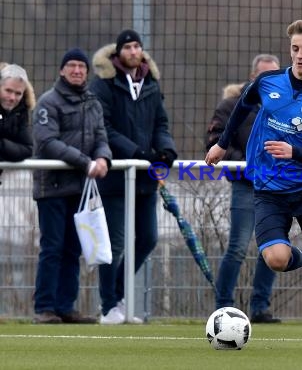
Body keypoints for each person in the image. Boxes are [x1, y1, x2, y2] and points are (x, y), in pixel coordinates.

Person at [205, 20, 302, 350]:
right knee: (277, 260)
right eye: (295, 48)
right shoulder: (268, 82)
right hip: (267, 189)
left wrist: (294, 152)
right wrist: (222, 144)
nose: (299, 55)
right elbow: (241, 108)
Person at [90, 29, 178, 324]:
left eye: (137, 46)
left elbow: (161, 122)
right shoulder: (104, 83)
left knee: (148, 238)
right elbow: (105, 126)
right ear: (118, 52)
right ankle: (108, 306)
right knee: (114, 244)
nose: (133, 51)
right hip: (116, 174)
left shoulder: (150, 83)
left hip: (144, 176)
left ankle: (119, 293)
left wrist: (165, 150)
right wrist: (136, 152)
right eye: (128, 46)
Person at [32, 48, 112, 324]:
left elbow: (101, 137)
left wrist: (102, 157)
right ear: (62, 70)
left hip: (80, 188)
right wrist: (85, 162)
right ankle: (44, 308)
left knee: (73, 250)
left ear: (87, 72)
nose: (77, 70)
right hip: (52, 187)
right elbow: (46, 141)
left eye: (81, 66)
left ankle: (66, 307)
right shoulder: (47, 102)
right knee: (52, 247)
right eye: (72, 65)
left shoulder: (93, 103)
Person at [205, 54, 282, 323]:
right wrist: (251, 165)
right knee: (237, 246)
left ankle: (260, 307)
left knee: (273, 249)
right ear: (253, 77)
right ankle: (223, 306)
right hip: (246, 186)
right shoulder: (230, 106)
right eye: (264, 76)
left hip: (276, 188)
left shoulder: (287, 107)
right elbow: (216, 143)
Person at [0, 63, 34, 180]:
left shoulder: (20, 111)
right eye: (8, 91)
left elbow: (28, 149)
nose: (12, 97)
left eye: (18, 93)